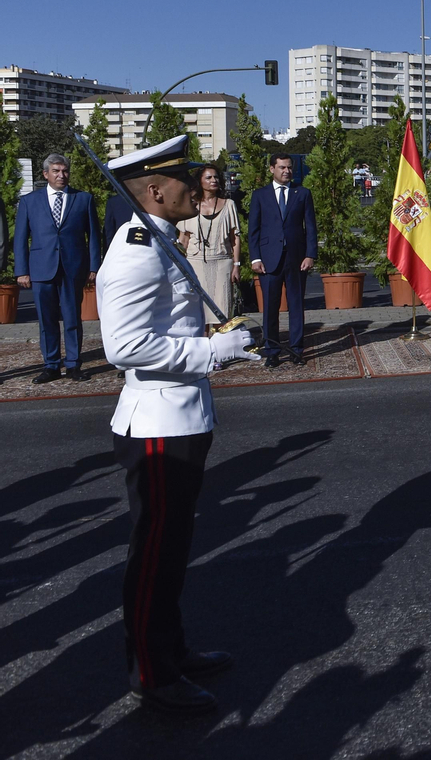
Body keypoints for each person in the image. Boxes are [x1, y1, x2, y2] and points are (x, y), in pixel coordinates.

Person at [98, 133, 260, 714]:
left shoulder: (161, 238)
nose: (199, 186)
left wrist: (210, 341)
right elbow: (124, 345)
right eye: (187, 179)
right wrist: (209, 353)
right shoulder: (139, 248)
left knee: (174, 548)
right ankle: (151, 674)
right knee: (155, 556)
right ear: (156, 190)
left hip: (182, 415)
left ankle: (170, 649)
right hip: (158, 423)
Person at [15, 153, 100, 383]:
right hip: (41, 269)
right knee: (47, 319)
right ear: (46, 174)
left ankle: (73, 364)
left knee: (73, 318)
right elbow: (21, 238)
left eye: (64, 171)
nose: (61, 175)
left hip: (73, 268)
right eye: (56, 171)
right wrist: (21, 270)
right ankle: (51, 365)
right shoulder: (29, 201)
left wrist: (93, 266)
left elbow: (93, 236)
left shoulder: (83, 199)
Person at [247, 153, 317, 368]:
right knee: (270, 307)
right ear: (271, 169)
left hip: (296, 258)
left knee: (296, 305)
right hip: (269, 260)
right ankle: (272, 350)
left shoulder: (302, 193)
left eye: (289, 168)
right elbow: (254, 230)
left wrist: (310, 254)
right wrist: (255, 258)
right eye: (281, 168)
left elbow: (311, 227)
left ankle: (296, 349)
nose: (286, 171)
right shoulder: (260, 195)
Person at [175, 165, 242, 341]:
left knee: (222, 309)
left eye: (215, 177)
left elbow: (235, 238)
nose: (213, 181)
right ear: (200, 181)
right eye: (208, 178)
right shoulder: (190, 205)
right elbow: (183, 239)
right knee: (200, 311)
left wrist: (236, 265)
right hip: (195, 263)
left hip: (222, 262)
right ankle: (203, 349)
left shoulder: (229, 205)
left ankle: (221, 348)